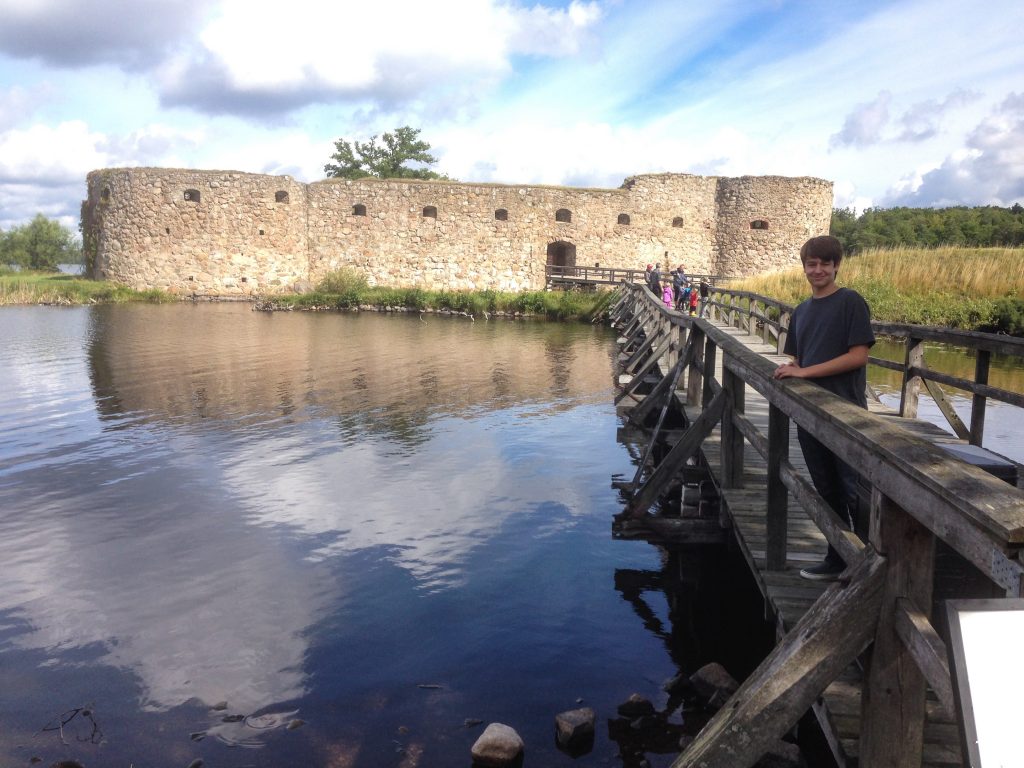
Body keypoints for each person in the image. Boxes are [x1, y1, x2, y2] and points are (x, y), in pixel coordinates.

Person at [772, 235, 875, 581]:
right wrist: (793, 371)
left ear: (836, 266)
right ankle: (837, 557)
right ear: (804, 267)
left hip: (846, 414)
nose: (817, 270)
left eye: (824, 264)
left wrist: (803, 372)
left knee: (853, 490)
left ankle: (866, 566)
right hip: (810, 414)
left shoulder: (850, 302)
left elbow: (858, 356)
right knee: (826, 489)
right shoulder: (801, 311)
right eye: (811, 264)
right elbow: (798, 358)